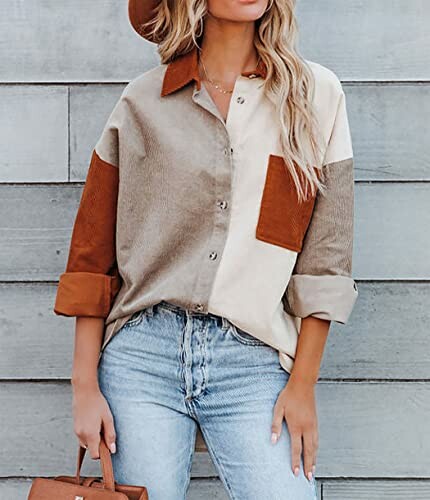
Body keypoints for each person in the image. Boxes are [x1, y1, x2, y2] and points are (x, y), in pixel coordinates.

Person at [53, 1, 358, 498]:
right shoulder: (141, 103)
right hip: (142, 358)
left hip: (254, 359)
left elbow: (327, 258)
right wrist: (84, 387)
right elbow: (91, 256)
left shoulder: (316, 97)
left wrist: (303, 385)